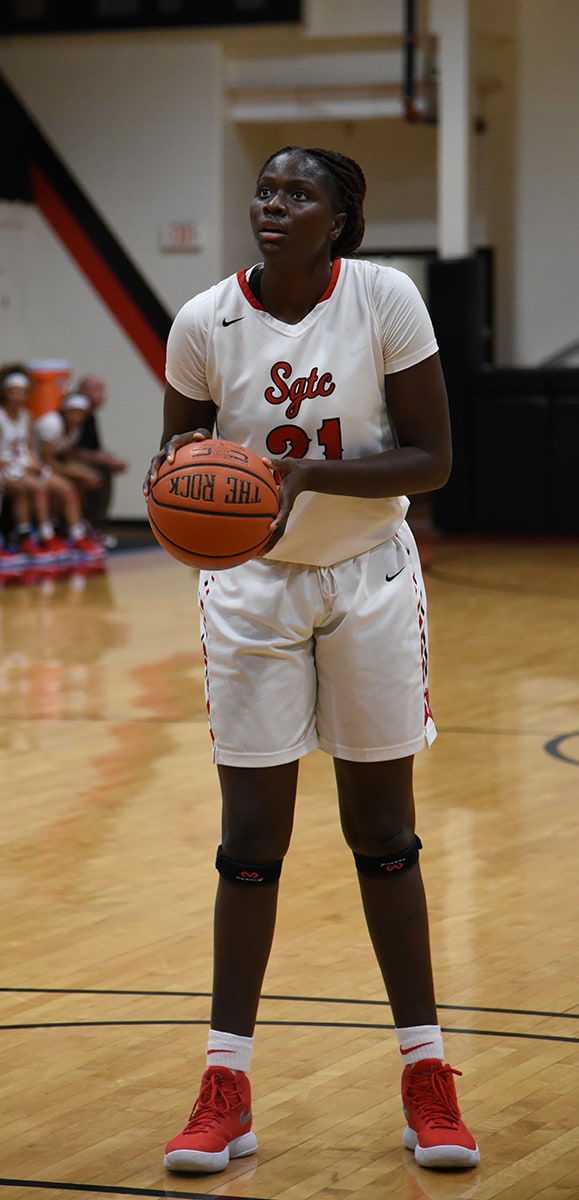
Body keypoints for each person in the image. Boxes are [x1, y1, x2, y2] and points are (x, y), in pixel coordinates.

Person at [144, 146, 480, 1176]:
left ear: (342, 218)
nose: (274, 206)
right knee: (251, 838)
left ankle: (427, 1078)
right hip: (248, 589)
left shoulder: (385, 299)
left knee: (383, 832)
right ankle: (225, 1085)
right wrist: (184, 484)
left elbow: (432, 459)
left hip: (368, 574)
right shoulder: (205, 318)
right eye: (267, 190)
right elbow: (176, 456)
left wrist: (307, 473)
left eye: (300, 194)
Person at [0, 366, 102, 561]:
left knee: (67, 488)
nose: (18, 396)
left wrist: (32, 462)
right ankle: (40, 536)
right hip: (8, 466)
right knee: (35, 488)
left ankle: (73, 532)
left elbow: (29, 449)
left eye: (22, 392)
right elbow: (45, 458)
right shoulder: (47, 424)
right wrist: (27, 464)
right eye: (14, 392)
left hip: (24, 465)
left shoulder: (27, 415)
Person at [73, 374, 128, 545]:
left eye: (103, 390)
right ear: (82, 391)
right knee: (90, 474)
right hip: (62, 463)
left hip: (78, 461)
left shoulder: (90, 417)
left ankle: (95, 526)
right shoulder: (73, 414)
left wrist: (112, 459)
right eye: (96, 390)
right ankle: (77, 527)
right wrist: (104, 459)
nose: (101, 394)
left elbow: (94, 448)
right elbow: (71, 450)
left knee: (104, 470)